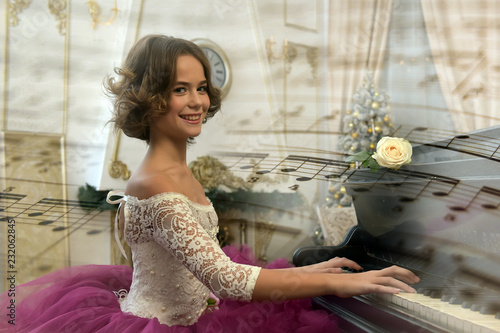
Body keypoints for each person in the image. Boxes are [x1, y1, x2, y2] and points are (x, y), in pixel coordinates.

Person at [0, 35, 419, 333]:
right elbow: (226, 279)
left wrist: (312, 269)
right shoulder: (155, 183)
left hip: (199, 312)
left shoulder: (176, 172)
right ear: (151, 98)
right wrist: (336, 281)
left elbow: (205, 273)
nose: (198, 101)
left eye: (201, 87)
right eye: (180, 89)